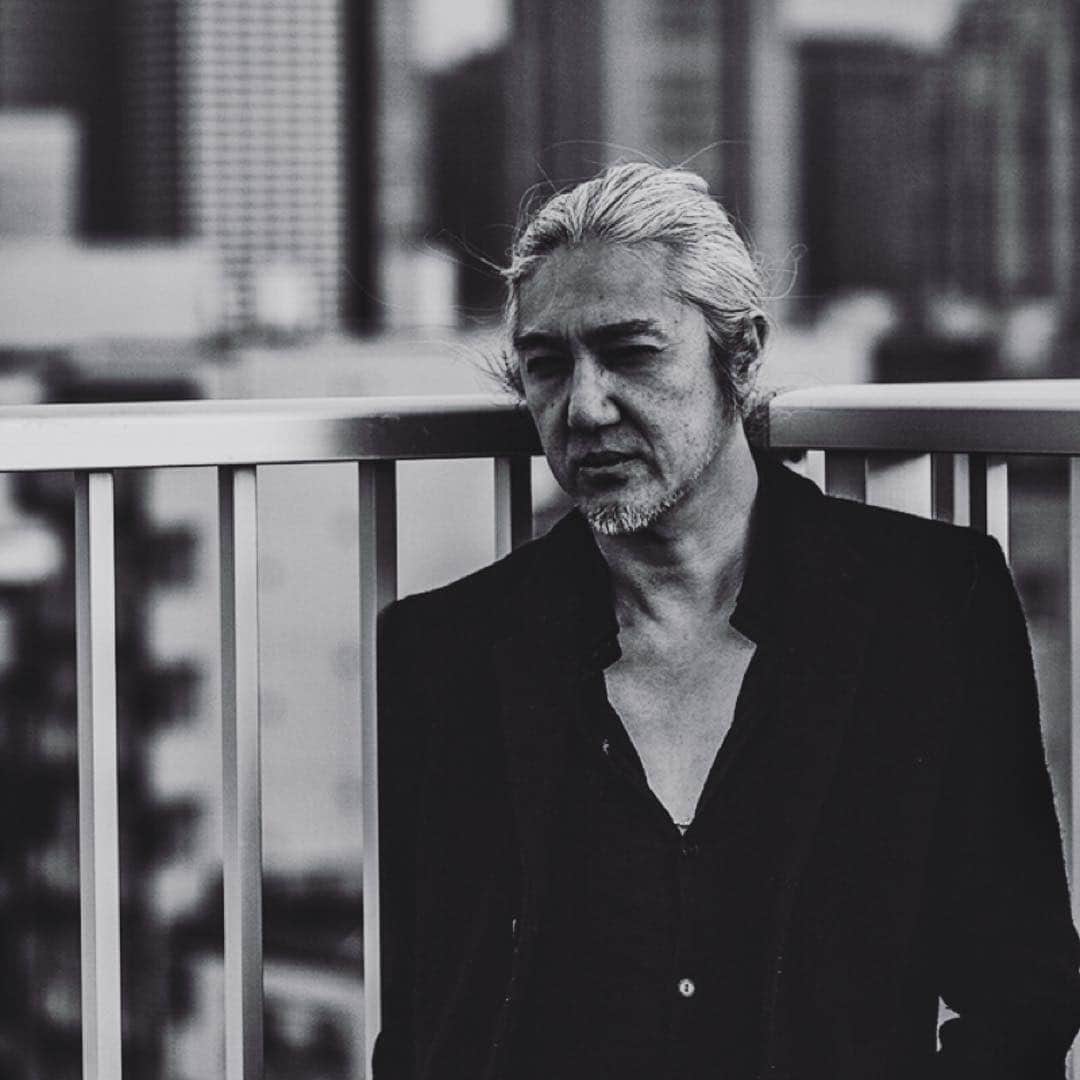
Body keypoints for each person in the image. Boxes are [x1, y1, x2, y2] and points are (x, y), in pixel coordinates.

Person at [373, 163, 1080, 1080]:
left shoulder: (932, 606)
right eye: (546, 365)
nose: (583, 406)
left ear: (740, 354)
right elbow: (425, 1032)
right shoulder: (445, 655)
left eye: (632, 352)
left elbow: (1024, 990)